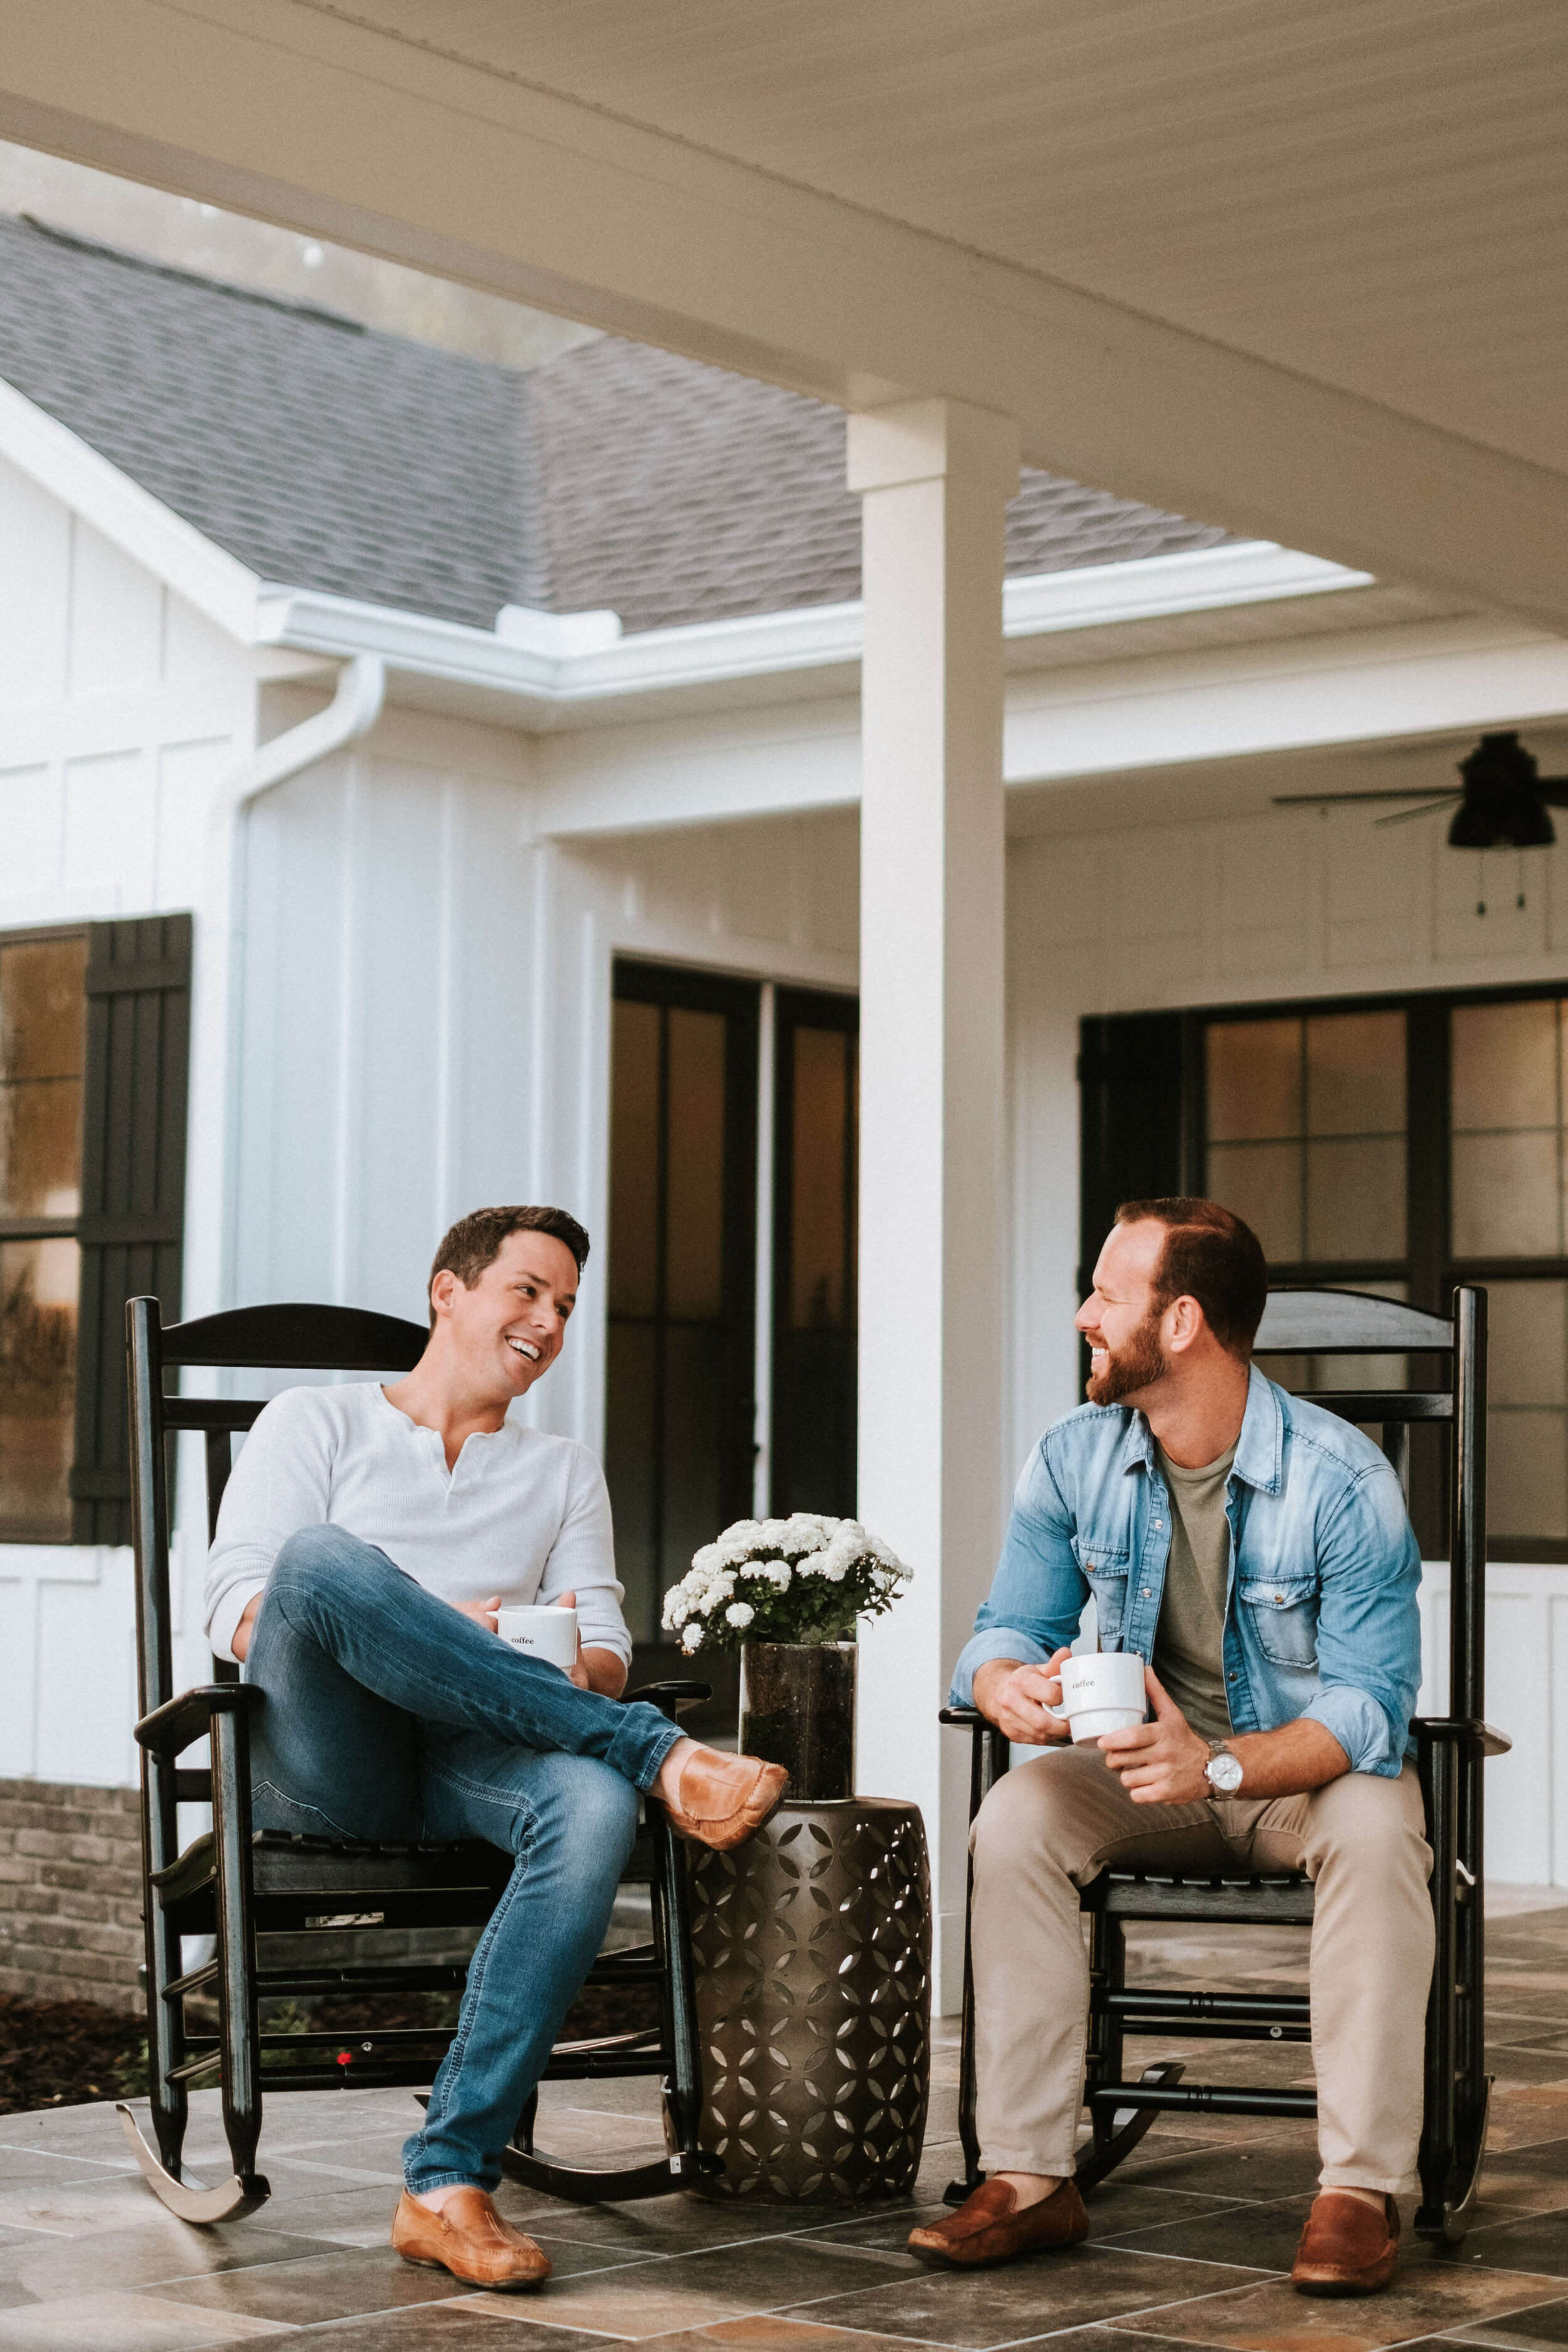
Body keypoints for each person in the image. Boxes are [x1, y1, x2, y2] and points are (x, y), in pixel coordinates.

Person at [204, 1204, 787, 2290]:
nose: (549, 1319)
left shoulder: (561, 1469)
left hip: (479, 1751)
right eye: (527, 1288)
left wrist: (550, 1658)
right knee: (325, 1559)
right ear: (449, 1291)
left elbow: (607, 1645)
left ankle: (446, 2182)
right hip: (331, 1762)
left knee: (595, 1806)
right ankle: (660, 1755)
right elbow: (242, 1609)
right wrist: (434, 1623)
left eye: (565, 1303)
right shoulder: (314, 1422)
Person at [909, 1199, 1429, 2298]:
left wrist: (1226, 1764)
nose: (1085, 1313)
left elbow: (1373, 1710)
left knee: (1385, 1829)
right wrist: (1005, 1682)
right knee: (1016, 1818)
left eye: (1108, 1291)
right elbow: (1007, 1625)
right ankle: (1032, 2173)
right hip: (1147, 1774)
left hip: (1297, 1780)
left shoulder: (1344, 1481)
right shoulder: (1075, 1456)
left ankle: (1361, 2188)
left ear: (1182, 1319)